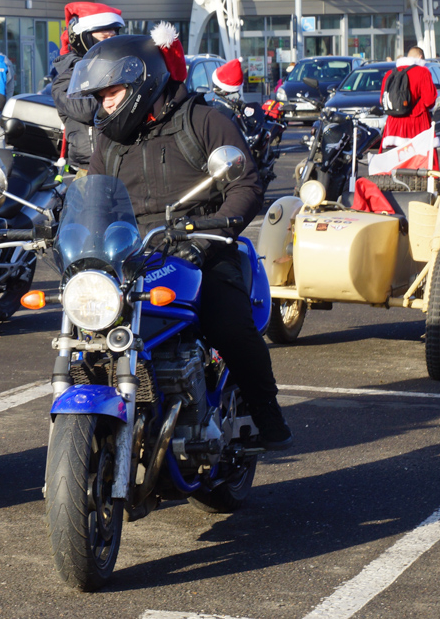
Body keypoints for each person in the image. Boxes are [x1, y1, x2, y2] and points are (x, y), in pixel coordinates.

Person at [69, 23, 293, 450]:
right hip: (135, 254)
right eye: (100, 97)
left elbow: (244, 184)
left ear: (141, 81)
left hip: (202, 245)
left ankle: (265, 410)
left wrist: (214, 231)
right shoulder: (111, 143)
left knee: (227, 324)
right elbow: (94, 199)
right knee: (89, 328)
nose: (105, 104)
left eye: (111, 92)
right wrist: (68, 226)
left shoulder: (204, 120)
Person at [50, 2, 124, 173]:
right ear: (83, 38)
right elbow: (87, 110)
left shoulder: (118, 69)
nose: (112, 43)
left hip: (122, 160)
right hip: (90, 167)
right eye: (105, 38)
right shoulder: (65, 79)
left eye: (115, 37)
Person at [380, 46, 437, 154]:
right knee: (420, 162)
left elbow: (382, 100)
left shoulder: (389, 74)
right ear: (421, 57)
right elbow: (429, 101)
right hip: (417, 123)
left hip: (393, 125)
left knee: (396, 164)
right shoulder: (423, 72)